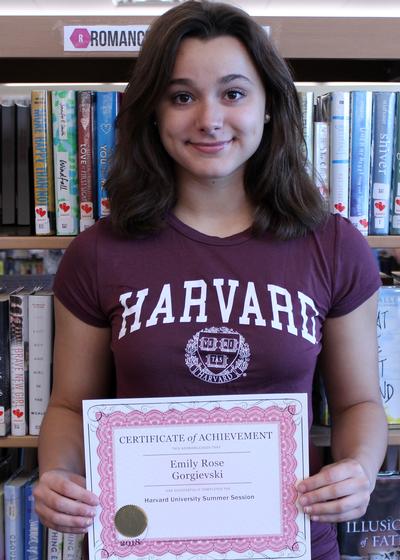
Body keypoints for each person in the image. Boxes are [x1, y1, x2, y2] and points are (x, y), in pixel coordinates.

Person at [33, 1, 388, 558]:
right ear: (152, 111)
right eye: (182, 97)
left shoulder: (334, 245)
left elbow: (358, 404)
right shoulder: (97, 252)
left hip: (292, 542)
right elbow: (70, 407)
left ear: (270, 105)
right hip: (144, 543)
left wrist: (360, 472)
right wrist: (58, 476)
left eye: (233, 93)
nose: (209, 118)